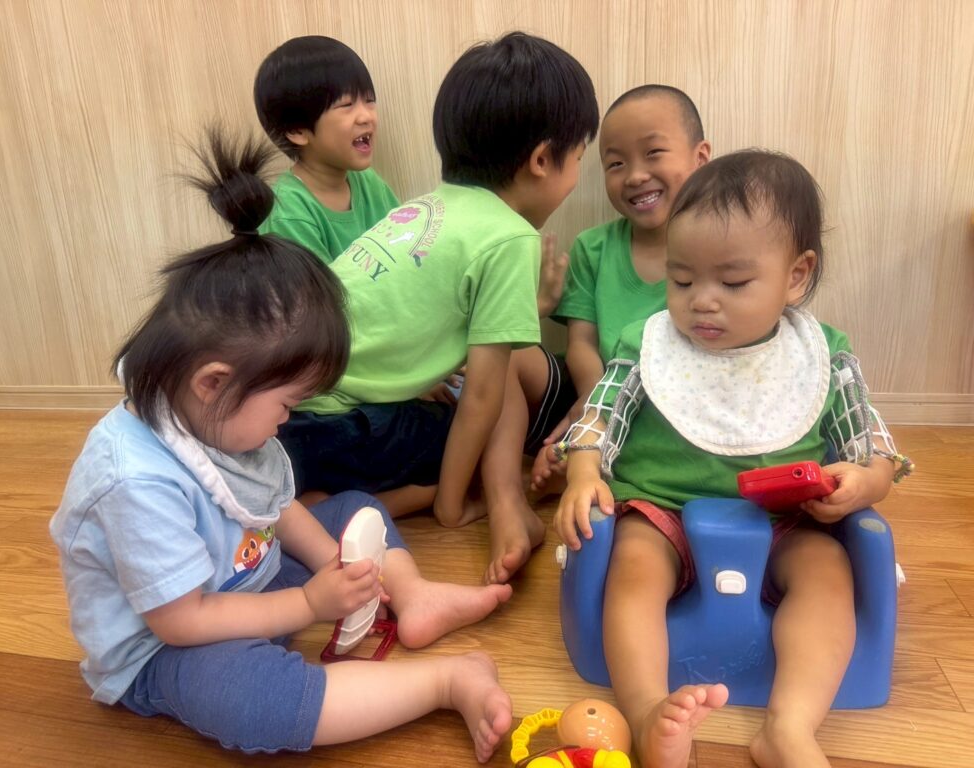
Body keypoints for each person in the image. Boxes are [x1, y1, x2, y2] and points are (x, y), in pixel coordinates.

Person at [49, 127, 513, 762]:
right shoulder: (134, 480)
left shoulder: (214, 414)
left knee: (356, 507)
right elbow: (181, 620)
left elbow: (274, 504)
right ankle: (445, 681)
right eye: (287, 405)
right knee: (255, 702)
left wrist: (331, 565)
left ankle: (409, 595)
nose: (286, 421)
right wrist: (307, 602)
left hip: (249, 578)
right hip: (170, 645)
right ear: (214, 383)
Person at [554, 150, 911, 768]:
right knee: (633, 571)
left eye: (733, 282)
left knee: (830, 575)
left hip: (787, 521)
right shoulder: (648, 343)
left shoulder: (822, 353)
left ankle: (790, 727)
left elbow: (869, 440)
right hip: (662, 511)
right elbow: (601, 413)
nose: (702, 301)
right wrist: (583, 469)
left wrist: (868, 480)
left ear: (796, 275)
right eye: (682, 280)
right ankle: (646, 715)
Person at [280, 31, 599, 585]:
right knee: (480, 417)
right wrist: (451, 503)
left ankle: (316, 497)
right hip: (338, 426)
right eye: (578, 159)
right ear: (542, 160)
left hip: (287, 418)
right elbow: (483, 394)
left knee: (488, 384)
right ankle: (414, 499)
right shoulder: (509, 237)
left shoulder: (423, 207)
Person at [531, 85, 711, 494]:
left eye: (653, 152)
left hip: (686, 400)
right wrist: (594, 404)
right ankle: (579, 460)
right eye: (615, 163)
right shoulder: (593, 248)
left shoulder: (721, 245)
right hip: (604, 391)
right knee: (513, 354)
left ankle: (601, 463)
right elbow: (581, 341)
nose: (635, 176)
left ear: (700, 158)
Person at [254, 35, 399, 263]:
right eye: (347, 104)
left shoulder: (367, 181)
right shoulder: (289, 213)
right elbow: (319, 288)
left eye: (369, 100)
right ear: (297, 130)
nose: (366, 116)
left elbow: (406, 244)